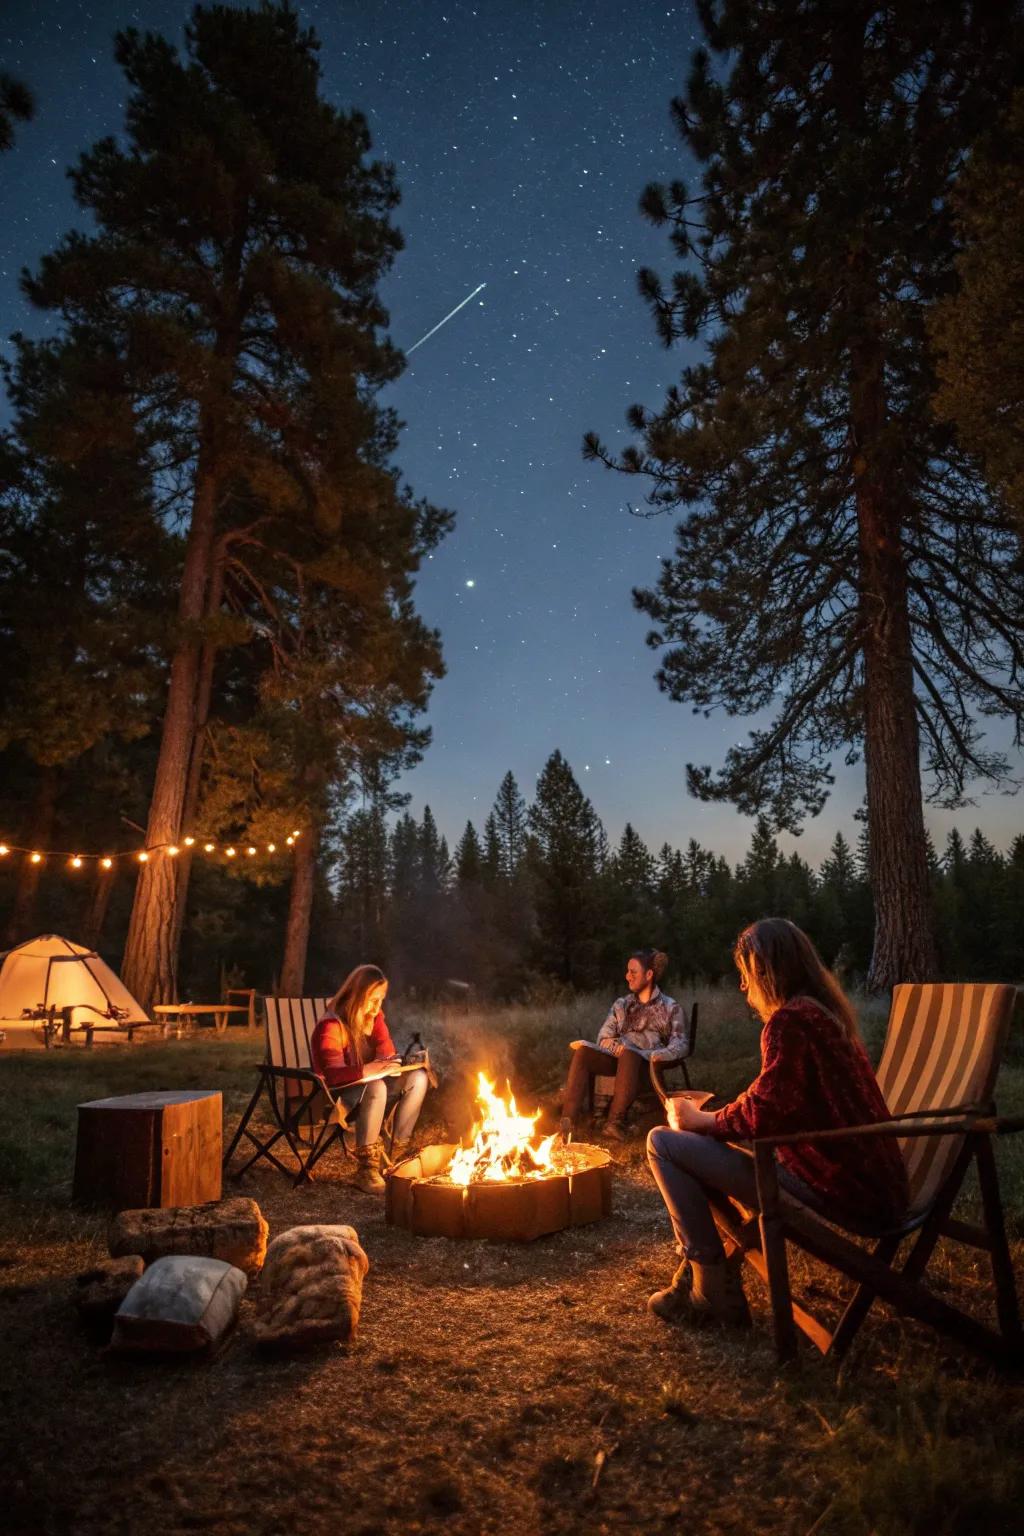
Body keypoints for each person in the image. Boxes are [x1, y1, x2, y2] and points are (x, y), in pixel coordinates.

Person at [645, 918, 909, 1328]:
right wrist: (715, 1119)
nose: (742, 988)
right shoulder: (822, 1013)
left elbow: (763, 1113)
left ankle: (708, 1288)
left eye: (745, 976)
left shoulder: (791, 1021)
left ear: (767, 972)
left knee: (663, 1142)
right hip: (869, 1183)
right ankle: (698, 1277)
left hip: (840, 1188)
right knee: (700, 1142)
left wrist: (699, 1120)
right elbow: (780, 1100)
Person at [311, 964, 429, 1193]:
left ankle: (398, 1155)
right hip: (336, 1096)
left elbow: (386, 1050)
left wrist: (394, 1064)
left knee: (419, 1077)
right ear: (356, 997)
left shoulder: (374, 1018)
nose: (378, 1007)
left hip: (370, 1086)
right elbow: (334, 1076)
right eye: (373, 1000)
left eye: (381, 999)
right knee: (376, 1086)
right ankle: (366, 1169)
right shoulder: (331, 1026)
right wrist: (370, 1070)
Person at [560, 948, 689, 1142]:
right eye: (627, 971)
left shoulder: (670, 1007)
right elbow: (603, 1037)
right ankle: (567, 1123)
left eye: (633, 972)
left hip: (645, 1063)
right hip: (618, 1058)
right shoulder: (621, 1005)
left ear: (649, 974)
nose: (627, 976)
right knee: (583, 1052)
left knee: (629, 1054)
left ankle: (614, 1122)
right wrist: (617, 1047)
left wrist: (655, 1055)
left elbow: (681, 1045)